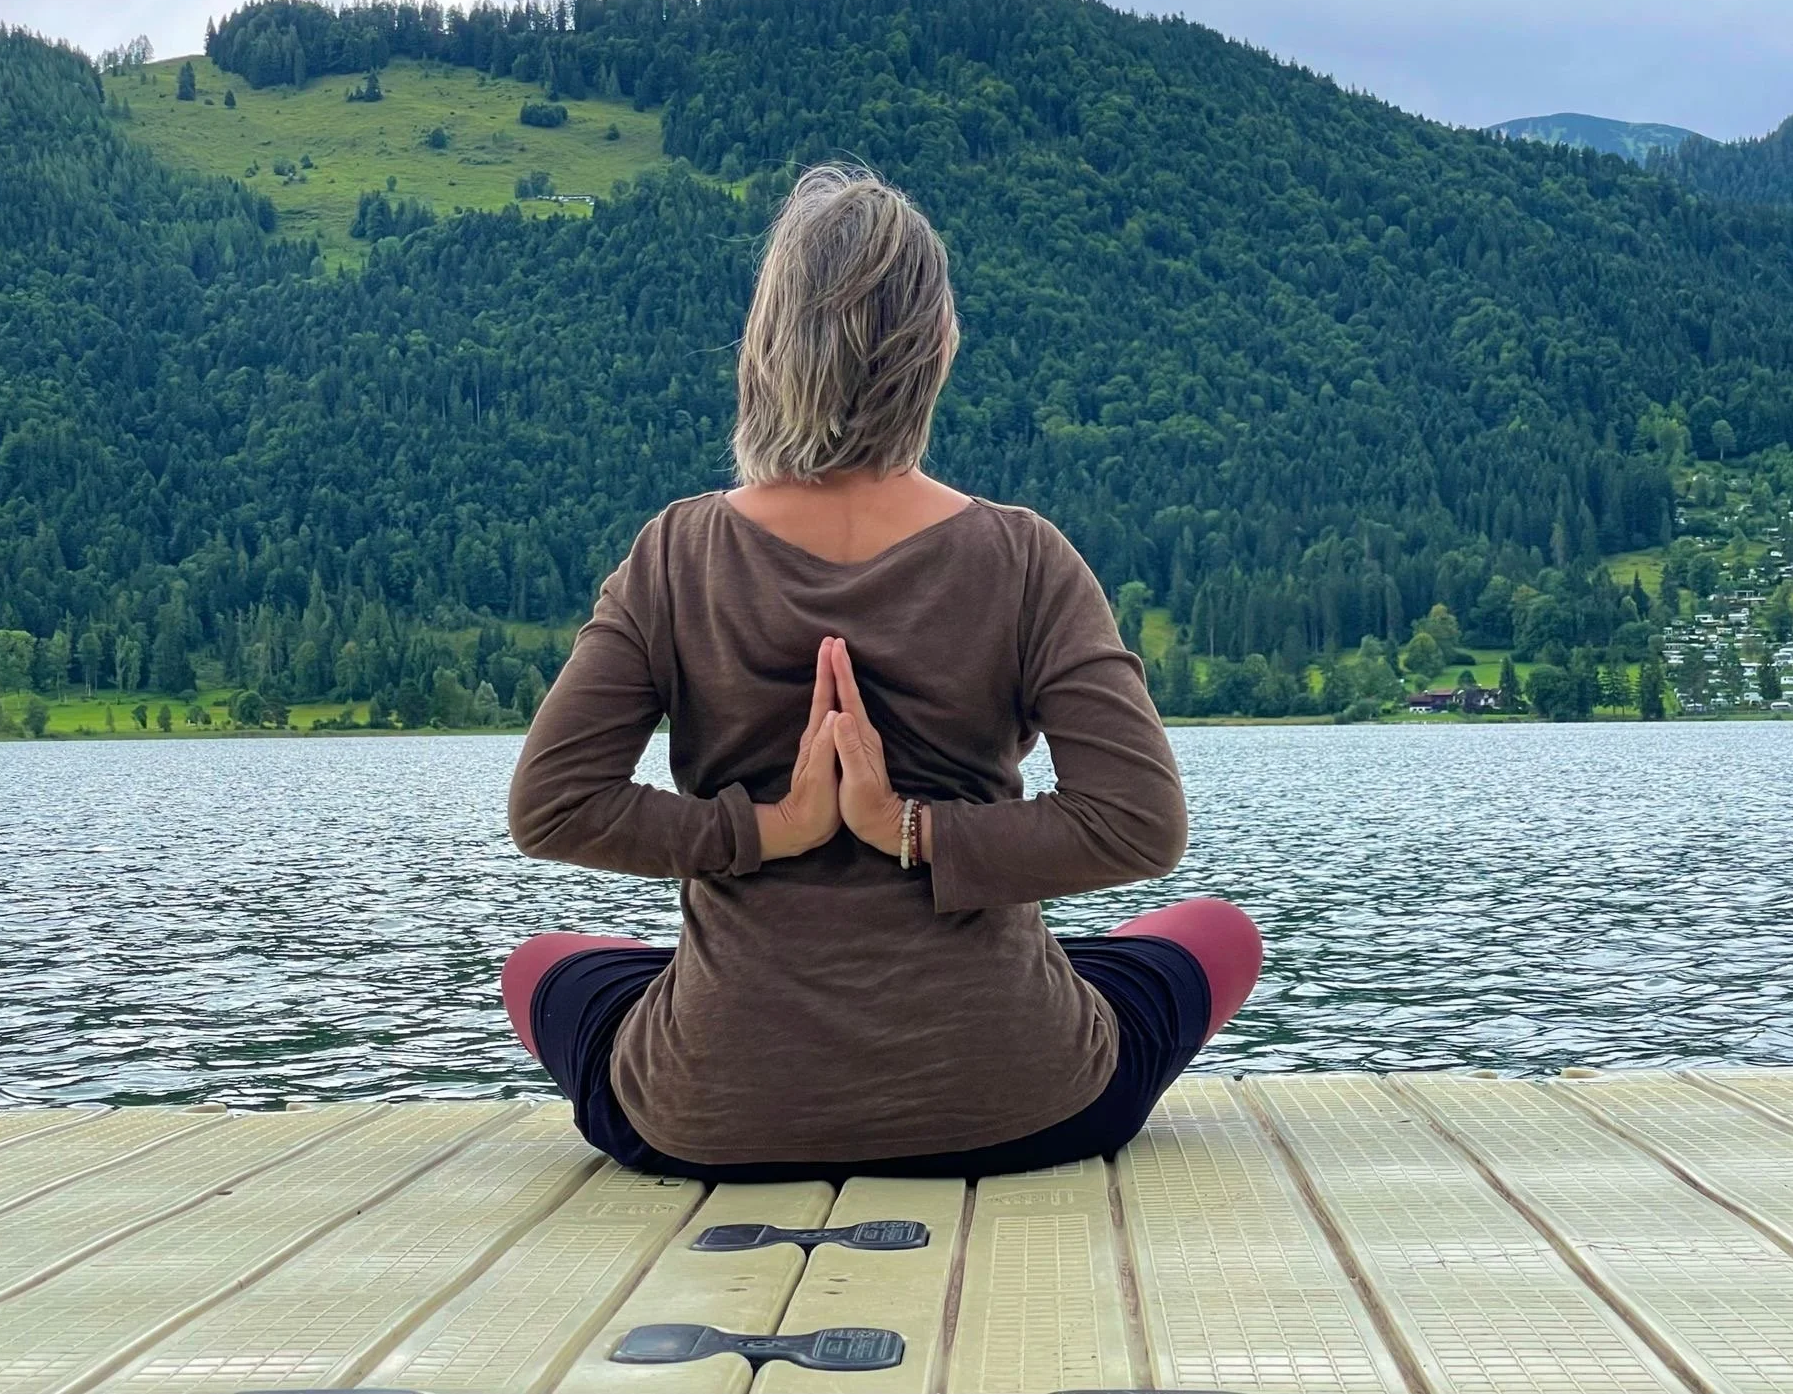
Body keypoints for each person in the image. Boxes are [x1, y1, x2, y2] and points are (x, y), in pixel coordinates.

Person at [503, 164, 1261, 1182]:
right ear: (935, 350)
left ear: (765, 351)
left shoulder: (675, 552)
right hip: (1018, 1097)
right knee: (1212, 931)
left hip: (715, 1109)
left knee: (542, 963)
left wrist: (765, 833)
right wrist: (914, 831)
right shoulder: (1024, 554)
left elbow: (549, 806)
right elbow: (1139, 823)